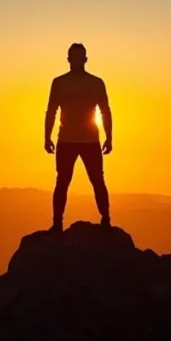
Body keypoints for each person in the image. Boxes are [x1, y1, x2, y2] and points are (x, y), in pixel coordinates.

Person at [44, 43, 112, 232]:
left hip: (87, 140)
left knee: (94, 181)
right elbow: (51, 111)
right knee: (66, 182)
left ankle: (105, 219)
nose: (77, 61)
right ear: (69, 59)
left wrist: (109, 137)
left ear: (84, 59)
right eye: (75, 57)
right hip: (70, 140)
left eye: (79, 57)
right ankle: (58, 223)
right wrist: (46, 137)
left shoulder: (94, 83)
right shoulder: (61, 83)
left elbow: (106, 111)